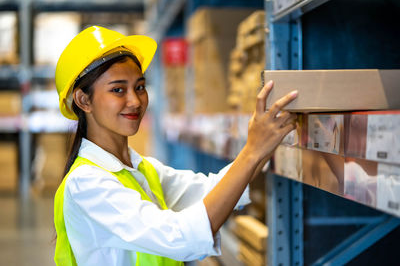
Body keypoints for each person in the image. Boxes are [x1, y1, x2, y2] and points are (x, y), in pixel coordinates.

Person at [53, 26, 298, 266]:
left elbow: (213, 189)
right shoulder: (86, 183)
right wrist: (252, 151)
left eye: (140, 87)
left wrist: (265, 143)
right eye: (118, 90)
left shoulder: (142, 170)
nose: (135, 101)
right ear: (84, 100)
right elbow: (181, 238)